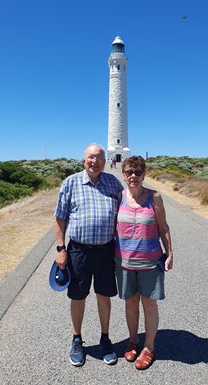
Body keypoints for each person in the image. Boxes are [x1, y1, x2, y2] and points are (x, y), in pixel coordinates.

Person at [54, 143, 123, 367]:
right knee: (78, 296)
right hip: (78, 251)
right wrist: (61, 249)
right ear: (84, 161)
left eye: (99, 158)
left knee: (104, 295)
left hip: (105, 251)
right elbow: (60, 217)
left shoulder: (113, 183)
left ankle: (105, 339)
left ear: (105, 161)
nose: (95, 161)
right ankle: (77, 340)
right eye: (90, 158)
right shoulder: (71, 182)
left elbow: (130, 207)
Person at [115, 155, 173, 370]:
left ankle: (148, 346)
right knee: (130, 302)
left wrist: (170, 253)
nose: (133, 176)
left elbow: (163, 227)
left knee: (149, 303)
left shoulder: (154, 197)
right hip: (123, 261)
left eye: (138, 172)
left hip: (150, 262)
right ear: (123, 174)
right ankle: (133, 340)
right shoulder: (118, 197)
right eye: (129, 172)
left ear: (144, 175)